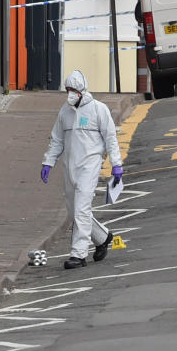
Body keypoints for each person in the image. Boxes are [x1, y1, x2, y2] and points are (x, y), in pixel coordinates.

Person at [40, 70, 122, 269]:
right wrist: (48, 162)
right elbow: (57, 140)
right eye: (67, 89)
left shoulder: (98, 109)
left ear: (82, 90)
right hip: (70, 167)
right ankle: (102, 237)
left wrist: (116, 163)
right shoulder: (64, 112)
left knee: (82, 208)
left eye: (73, 90)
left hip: (90, 165)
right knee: (75, 210)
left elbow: (110, 137)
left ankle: (78, 254)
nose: (70, 93)